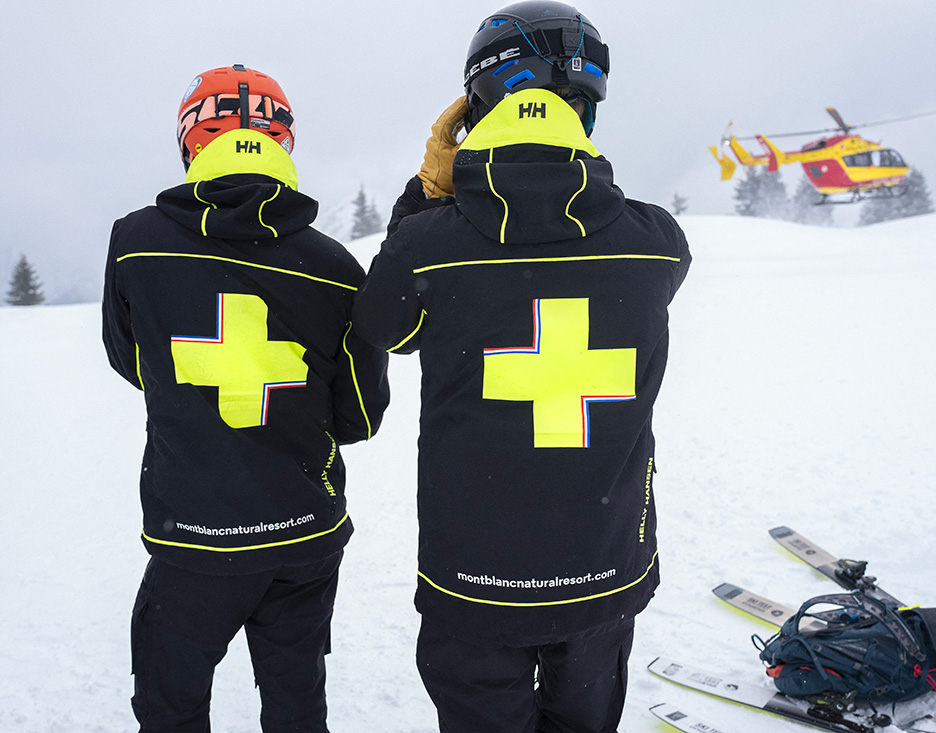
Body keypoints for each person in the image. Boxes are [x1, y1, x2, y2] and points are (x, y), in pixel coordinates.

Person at [353, 3, 691, 731]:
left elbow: (385, 326)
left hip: (475, 584)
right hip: (605, 574)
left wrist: (429, 192)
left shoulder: (428, 246)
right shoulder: (659, 243)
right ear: (585, 111)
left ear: (477, 107)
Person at [102, 64, 389, 731]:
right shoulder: (336, 268)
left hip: (195, 538)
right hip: (304, 533)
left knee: (171, 706)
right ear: (282, 141)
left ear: (191, 142)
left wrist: (196, 399)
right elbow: (360, 415)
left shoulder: (136, 242)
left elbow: (134, 363)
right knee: (295, 701)